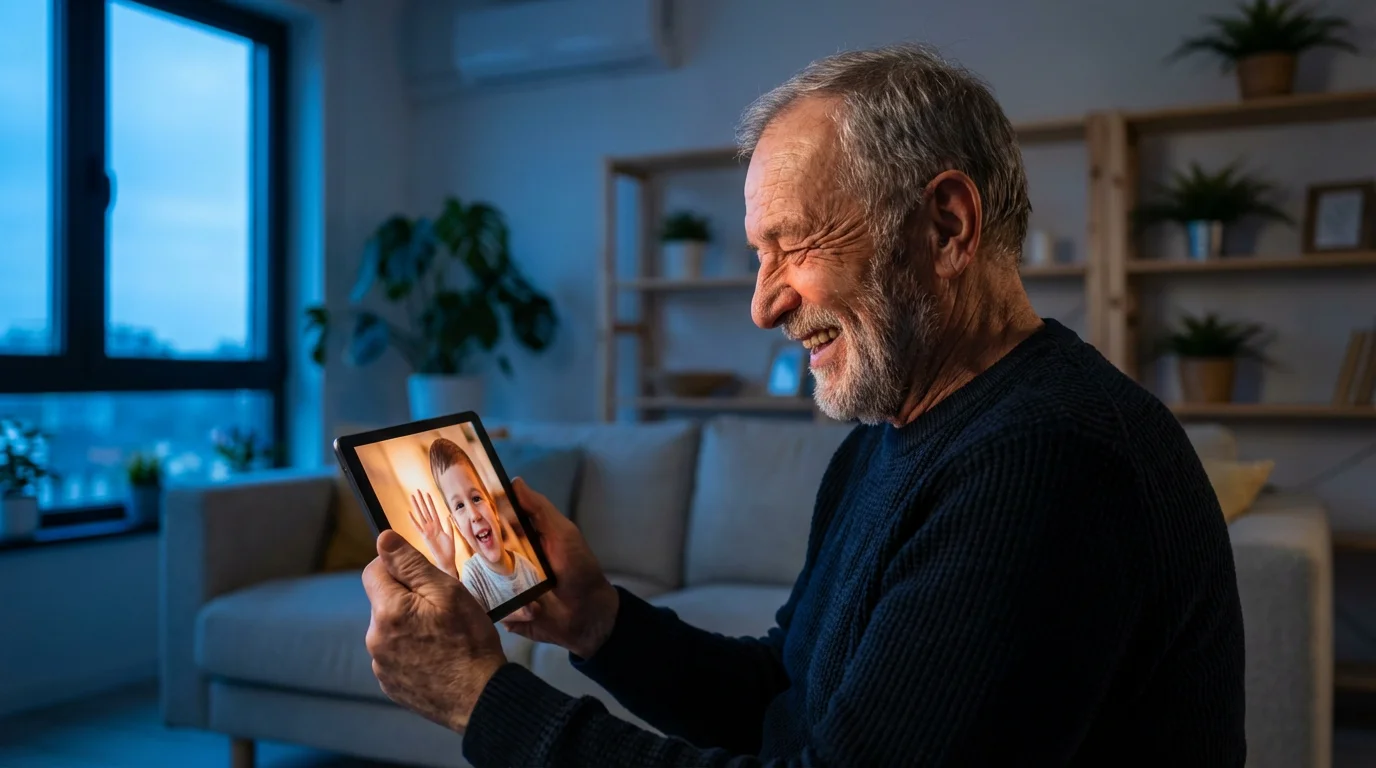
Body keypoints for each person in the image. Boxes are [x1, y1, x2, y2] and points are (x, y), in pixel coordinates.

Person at [362, 44, 1246, 766]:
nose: (764, 303)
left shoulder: (1049, 461)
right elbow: (788, 699)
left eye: (794, 245)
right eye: (761, 254)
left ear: (946, 227)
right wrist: (599, 622)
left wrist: (484, 702)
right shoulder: (888, 436)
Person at [407, 437, 541, 612]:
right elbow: (462, 617)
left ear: (493, 509)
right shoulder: (472, 576)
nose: (474, 515)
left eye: (476, 498)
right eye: (459, 506)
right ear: (458, 526)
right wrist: (447, 567)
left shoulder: (528, 568)